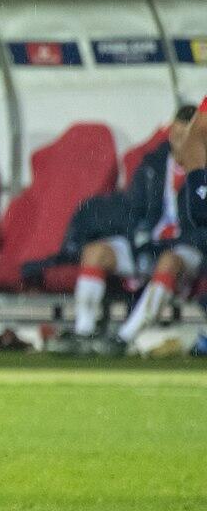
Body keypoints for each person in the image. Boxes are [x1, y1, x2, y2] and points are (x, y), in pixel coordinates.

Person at [60, 106, 200, 354]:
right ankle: (84, 331)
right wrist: (138, 237)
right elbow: (132, 209)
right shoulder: (153, 165)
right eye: (174, 135)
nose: (178, 142)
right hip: (148, 245)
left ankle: (125, 337)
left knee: (169, 261)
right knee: (95, 252)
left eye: (185, 136)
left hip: (188, 249)